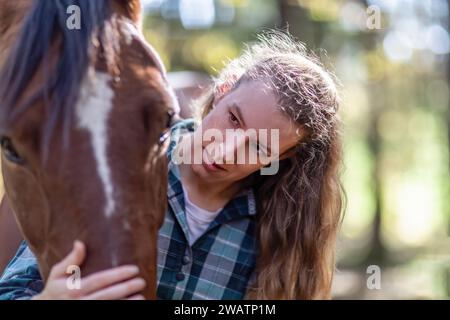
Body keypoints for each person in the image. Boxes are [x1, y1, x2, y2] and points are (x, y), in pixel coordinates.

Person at [0, 31, 344, 300]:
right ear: (222, 92)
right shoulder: (112, 171)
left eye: (257, 146)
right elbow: (10, 290)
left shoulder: (279, 229)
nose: (225, 152)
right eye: (233, 120)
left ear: (280, 158)